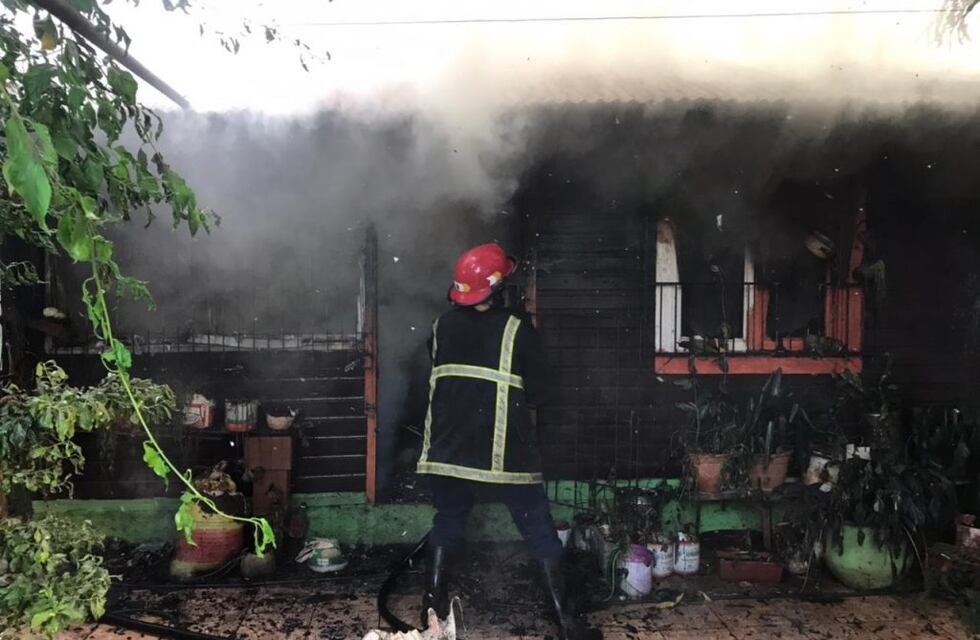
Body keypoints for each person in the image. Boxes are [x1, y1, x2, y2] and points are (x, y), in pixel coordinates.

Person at [416, 243, 602, 640]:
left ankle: (429, 616)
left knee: (447, 521)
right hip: (505, 454)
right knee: (537, 527)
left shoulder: (440, 326)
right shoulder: (518, 329)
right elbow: (542, 391)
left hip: (446, 453)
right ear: (498, 289)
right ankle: (568, 626)